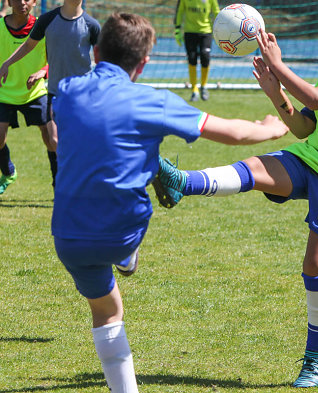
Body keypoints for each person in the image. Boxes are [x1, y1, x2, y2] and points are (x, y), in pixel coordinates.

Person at [51, 12, 287, 392]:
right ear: (143, 64)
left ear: (95, 51)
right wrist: (271, 127)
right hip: (122, 230)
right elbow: (230, 133)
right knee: (143, 157)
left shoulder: (67, 91)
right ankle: (128, 249)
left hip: (67, 236)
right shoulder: (152, 100)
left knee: (108, 312)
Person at [154, 3, 318, 388]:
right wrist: (274, 93)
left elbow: (315, 98)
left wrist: (277, 66)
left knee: (315, 266)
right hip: (311, 160)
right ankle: (181, 182)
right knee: (255, 169)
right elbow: (300, 127)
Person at [0, 0, 100, 187]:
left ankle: (69, 181)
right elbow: (28, 45)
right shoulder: (48, 20)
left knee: (66, 140)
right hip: (34, 93)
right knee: (52, 140)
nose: (22, 2)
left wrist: (42, 72)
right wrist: (7, 63)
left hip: (61, 93)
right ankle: (63, 181)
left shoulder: (89, 25)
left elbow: (100, 57)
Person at [0, 0, 52, 195]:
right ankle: (8, 172)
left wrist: (43, 72)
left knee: (51, 139)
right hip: (4, 92)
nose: (22, 2)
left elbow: (54, 60)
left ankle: (59, 186)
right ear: (9, 2)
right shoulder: (0, 27)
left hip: (35, 92)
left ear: (35, 1)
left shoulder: (44, 27)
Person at [174, 0, 220, 101]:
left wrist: (221, 29)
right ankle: (194, 89)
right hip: (190, 32)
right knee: (192, 58)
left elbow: (217, 13)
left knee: (205, 56)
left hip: (205, 32)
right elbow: (180, 12)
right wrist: (177, 29)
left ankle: (203, 86)